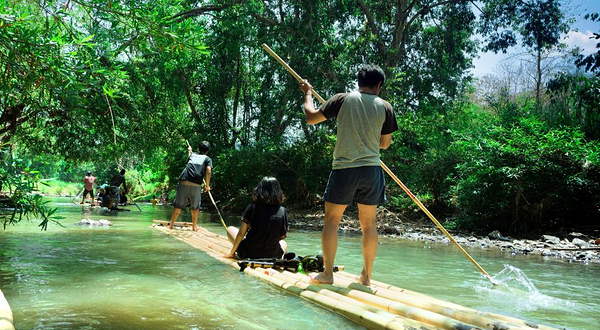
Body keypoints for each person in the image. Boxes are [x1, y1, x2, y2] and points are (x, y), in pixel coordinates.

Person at [299, 64, 398, 286]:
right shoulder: (386, 107)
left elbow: (311, 117)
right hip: (372, 170)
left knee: (331, 222)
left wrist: (307, 93)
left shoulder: (342, 99)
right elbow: (384, 144)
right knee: (369, 225)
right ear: (379, 85)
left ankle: (327, 275)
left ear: (358, 82)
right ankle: (366, 277)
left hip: (344, 168)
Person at [224, 177, 288, 259]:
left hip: (248, 253)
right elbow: (281, 237)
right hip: (272, 255)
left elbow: (241, 234)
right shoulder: (282, 211)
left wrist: (232, 253)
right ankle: (280, 257)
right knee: (284, 243)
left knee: (230, 229)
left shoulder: (253, 207)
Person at [167, 141, 212, 231]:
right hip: (196, 184)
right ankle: (194, 227)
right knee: (195, 206)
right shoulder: (207, 159)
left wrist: (189, 152)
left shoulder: (193, 155)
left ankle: (171, 225)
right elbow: (208, 171)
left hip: (184, 180)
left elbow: (189, 162)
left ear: (199, 148)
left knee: (178, 204)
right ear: (208, 150)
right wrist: (207, 185)